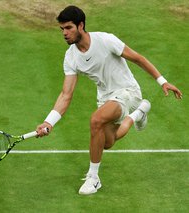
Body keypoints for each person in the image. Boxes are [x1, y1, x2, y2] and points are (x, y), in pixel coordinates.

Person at [35, 5, 182, 195]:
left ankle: (93, 178)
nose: (64, 33)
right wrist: (49, 121)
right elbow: (66, 94)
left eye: (68, 28)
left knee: (96, 120)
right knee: (106, 142)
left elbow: (137, 58)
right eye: (62, 29)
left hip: (127, 91)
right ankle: (138, 114)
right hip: (105, 97)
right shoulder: (70, 57)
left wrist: (163, 81)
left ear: (81, 26)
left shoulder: (105, 40)